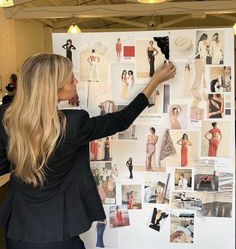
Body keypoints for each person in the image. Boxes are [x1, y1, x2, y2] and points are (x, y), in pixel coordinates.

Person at [0, 53, 176, 249]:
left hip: (17, 230)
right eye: (70, 78)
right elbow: (122, 120)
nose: (75, 81)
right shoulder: (72, 124)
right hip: (58, 233)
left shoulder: (6, 118)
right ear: (53, 88)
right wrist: (155, 81)